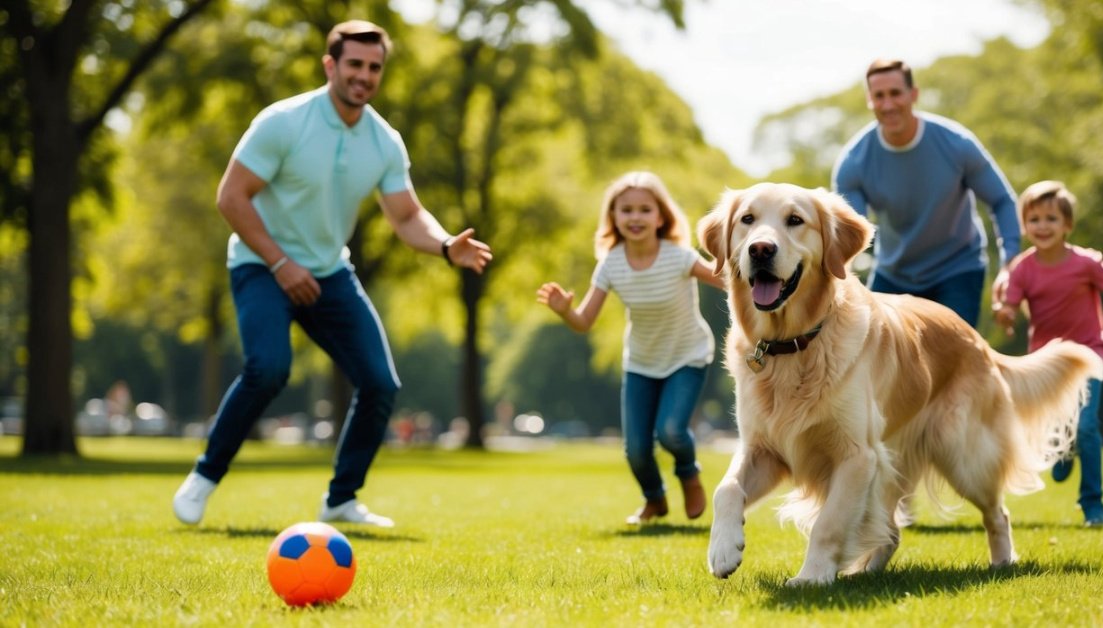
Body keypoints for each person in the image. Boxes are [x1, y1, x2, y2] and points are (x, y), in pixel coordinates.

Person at [173, 20, 492, 528]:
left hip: (328, 272)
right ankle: (205, 476)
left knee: (380, 383)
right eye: (355, 65)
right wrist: (280, 263)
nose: (364, 76)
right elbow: (230, 197)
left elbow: (407, 217)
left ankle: (341, 499)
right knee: (270, 368)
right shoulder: (284, 122)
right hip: (261, 264)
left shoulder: (384, 141)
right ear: (330, 65)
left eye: (374, 68)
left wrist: (445, 246)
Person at [537, 172, 723, 525]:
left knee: (670, 431)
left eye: (644, 209)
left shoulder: (679, 257)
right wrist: (564, 311)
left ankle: (689, 473)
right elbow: (584, 321)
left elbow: (726, 279)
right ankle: (655, 500)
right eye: (626, 210)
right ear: (614, 218)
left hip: (688, 355)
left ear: (660, 217)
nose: (635, 217)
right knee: (636, 450)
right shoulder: (611, 264)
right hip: (641, 363)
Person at [994, 180, 1103, 527]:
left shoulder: (1086, 263)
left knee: (1086, 427)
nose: (1043, 226)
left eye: (1051, 218)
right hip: (1048, 364)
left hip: (1091, 353)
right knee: (1058, 431)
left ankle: (1093, 505)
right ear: (1025, 225)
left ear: (1067, 224)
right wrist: (1004, 317)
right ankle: (1064, 451)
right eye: (1034, 219)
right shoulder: (1022, 269)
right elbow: (1009, 308)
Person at [832, 58, 1022, 328]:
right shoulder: (853, 162)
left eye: (895, 93)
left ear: (913, 94)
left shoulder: (957, 144)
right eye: (879, 96)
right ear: (869, 100)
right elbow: (847, 236)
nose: (888, 104)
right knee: (879, 361)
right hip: (893, 275)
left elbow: (1002, 201)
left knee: (950, 364)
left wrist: (1009, 263)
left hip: (957, 270)